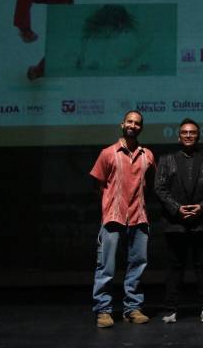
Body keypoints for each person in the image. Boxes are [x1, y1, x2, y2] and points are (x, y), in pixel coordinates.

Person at [90, 110, 155, 328]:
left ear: (141, 127)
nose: (133, 125)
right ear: (122, 124)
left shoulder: (148, 155)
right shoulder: (108, 153)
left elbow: (151, 184)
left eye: (137, 123)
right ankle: (103, 310)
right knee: (106, 266)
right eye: (130, 121)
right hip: (112, 218)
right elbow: (98, 185)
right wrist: (111, 205)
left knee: (137, 264)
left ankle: (132, 308)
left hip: (139, 217)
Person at [154, 118, 203, 324]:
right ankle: (171, 308)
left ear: (198, 136)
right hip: (175, 222)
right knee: (175, 267)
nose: (188, 135)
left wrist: (202, 207)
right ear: (178, 136)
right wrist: (177, 209)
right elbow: (159, 187)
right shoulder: (166, 160)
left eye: (192, 132)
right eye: (184, 132)